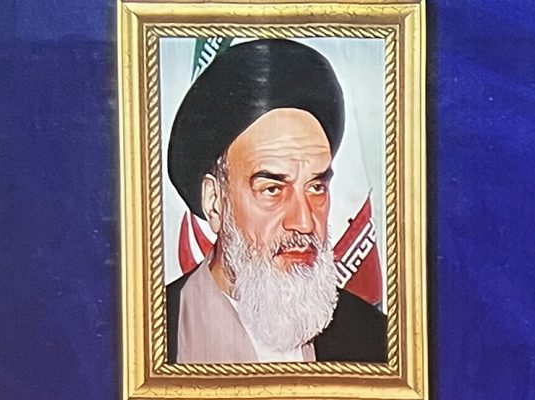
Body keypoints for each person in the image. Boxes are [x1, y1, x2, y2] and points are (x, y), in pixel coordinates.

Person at [163, 39, 389, 364]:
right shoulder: (150, 336)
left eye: (315, 187)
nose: (305, 222)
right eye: (272, 189)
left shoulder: (375, 340)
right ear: (215, 202)